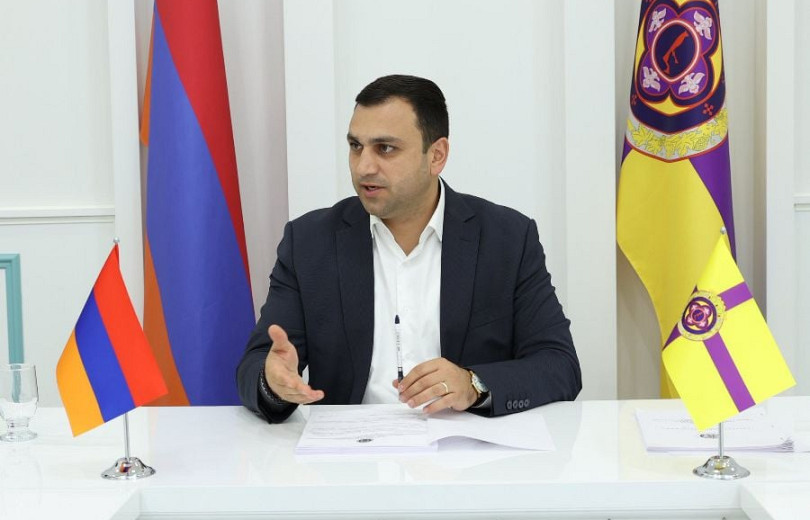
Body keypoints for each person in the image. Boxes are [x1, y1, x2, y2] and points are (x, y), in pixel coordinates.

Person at [237, 74, 581, 423]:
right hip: (352, 448)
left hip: (467, 447)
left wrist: (473, 384)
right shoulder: (310, 242)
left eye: (385, 148)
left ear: (436, 156)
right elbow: (258, 363)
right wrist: (272, 383)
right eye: (356, 146)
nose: (364, 166)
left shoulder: (506, 239)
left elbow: (559, 364)